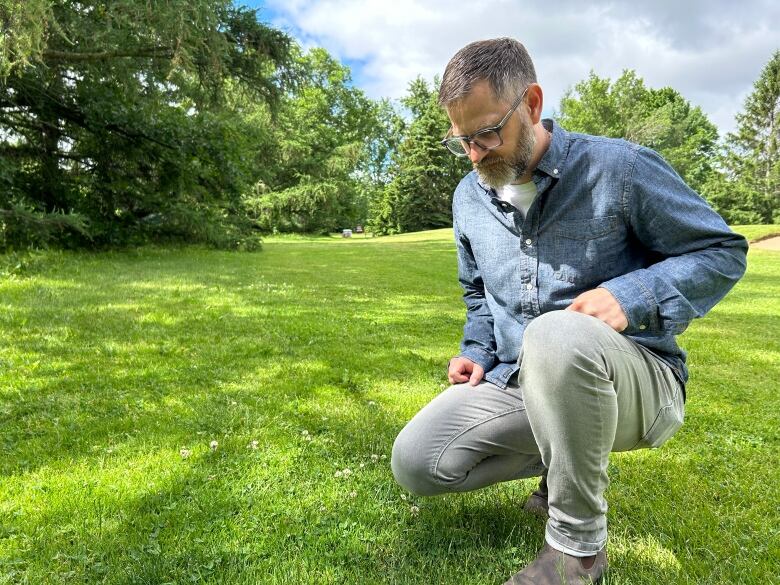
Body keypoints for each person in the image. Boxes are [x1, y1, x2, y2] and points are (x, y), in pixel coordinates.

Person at [390, 38, 748, 584]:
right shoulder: (468, 196)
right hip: (519, 382)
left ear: (531, 103)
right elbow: (476, 292)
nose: (474, 154)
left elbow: (722, 251)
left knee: (556, 335)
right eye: (460, 140)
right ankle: (562, 462)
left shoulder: (620, 169)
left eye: (487, 132)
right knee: (417, 462)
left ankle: (576, 549)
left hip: (638, 382)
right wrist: (477, 350)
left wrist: (633, 296)